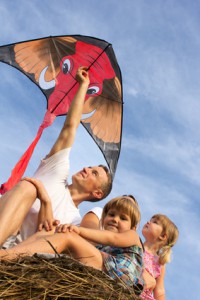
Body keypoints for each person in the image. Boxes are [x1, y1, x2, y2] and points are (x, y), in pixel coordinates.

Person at [0, 66, 112, 247]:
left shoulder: (75, 223)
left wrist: (45, 200)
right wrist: (83, 86)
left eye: (94, 173)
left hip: (17, 254)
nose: (86, 169)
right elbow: (70, 128)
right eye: (90, 167)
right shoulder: (56, 172)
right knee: (28, 188)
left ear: (97, 193)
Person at [0, 195, 144, 291]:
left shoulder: (132, 235)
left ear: (133, 226)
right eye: (111, 214)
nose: (115, 219)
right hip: (103, 268)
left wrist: (78, 231)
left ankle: (4, 257)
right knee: (52, 233)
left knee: (68, 238)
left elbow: (113, 238)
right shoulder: (102, 247)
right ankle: (13, 255)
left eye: (123, 218)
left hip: (118, 276)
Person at [140, 214, 179, 300]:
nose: (148, 222)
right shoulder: (135, 244)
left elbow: (160, 290)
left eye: (155, 222)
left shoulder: (160, 263)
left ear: (163, 236)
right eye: (150, 220)